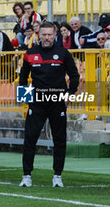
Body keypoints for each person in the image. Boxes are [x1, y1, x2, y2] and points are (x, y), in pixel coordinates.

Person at [19, 22, 80, 187]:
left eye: (49, 35)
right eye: (43, 34)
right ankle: (26, 176)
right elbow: (23, 77)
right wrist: (25, 98)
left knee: (59, 140)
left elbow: (74, 75)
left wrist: (70, 93)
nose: (46, 38)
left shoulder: (63, 53)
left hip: (57, 102)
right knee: (30, 138)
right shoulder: (30, 53)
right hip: (37, 102)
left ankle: (57, 176)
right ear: (39, 35)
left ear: (55, 35)